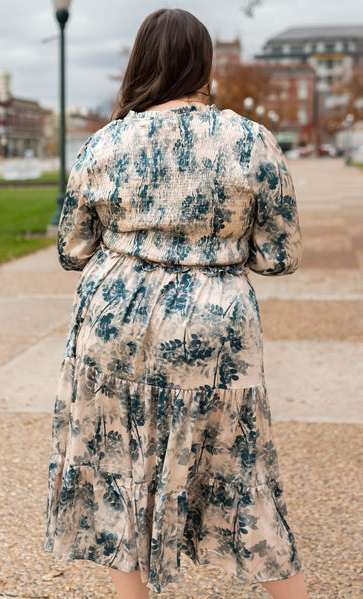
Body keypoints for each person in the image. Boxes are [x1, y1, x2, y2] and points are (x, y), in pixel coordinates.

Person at [45, 8, 310, 599]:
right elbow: (281, 254)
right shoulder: (251, 139)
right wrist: (216, 255)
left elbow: (72, 248)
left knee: (119, 467)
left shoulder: (106, 142)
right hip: (218, 326)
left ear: (142, 62)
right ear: (205, 64)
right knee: (244, 475)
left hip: (116, 323)